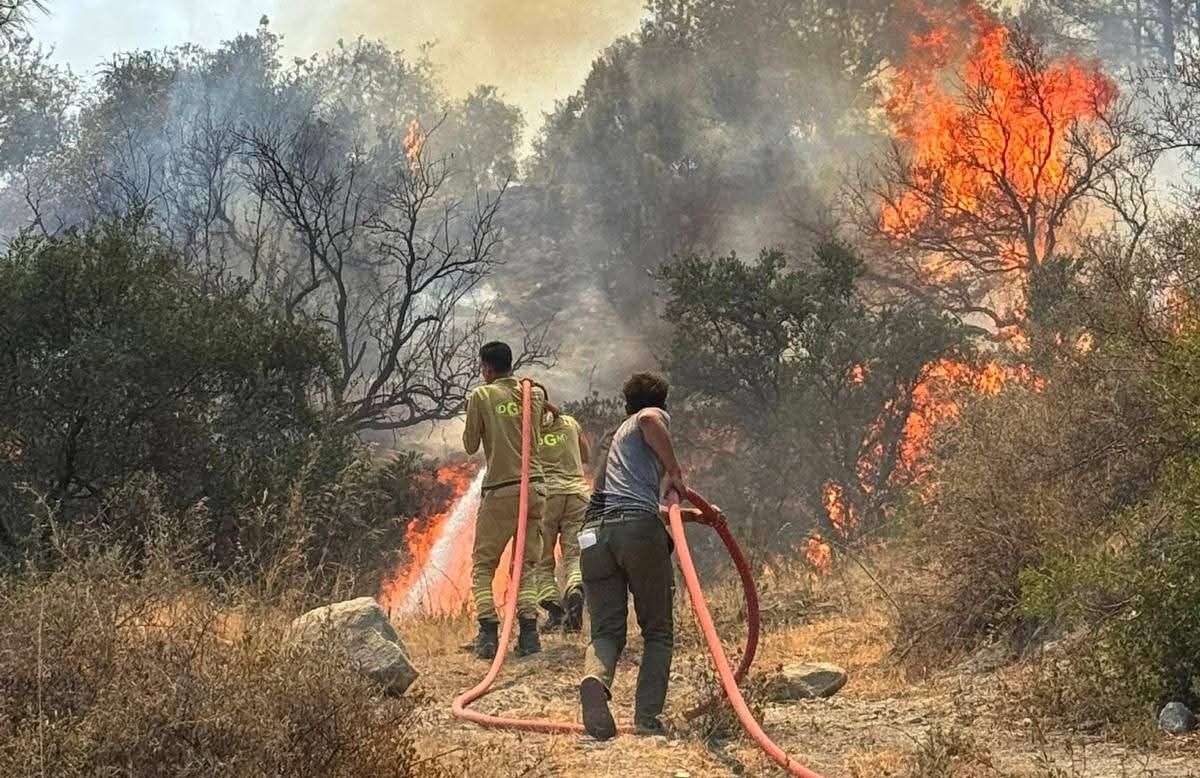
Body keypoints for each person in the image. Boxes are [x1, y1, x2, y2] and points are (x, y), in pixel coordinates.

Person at [577, 372, 690, 740]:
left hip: (595, 537)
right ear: (662, 401)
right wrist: (674, 471)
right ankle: (646, 717)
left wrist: (698, 515)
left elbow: (628, 505)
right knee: (658, 632)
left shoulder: (614, 447)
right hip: (635, 530)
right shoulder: (647, 419)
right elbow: (650, 419)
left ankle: (595, 680)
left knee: (606, 630)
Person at [462, 341, 547, 659]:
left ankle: (487, 632)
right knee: (525, 567)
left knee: (483, 566)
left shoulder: (481, 395)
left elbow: (470, 444)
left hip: (500, 491)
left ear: (486, 367)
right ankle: (528, 635)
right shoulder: (534, 394)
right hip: (535, 490)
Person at [534, 409, 591, 633]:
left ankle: (555, 610)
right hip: (577, 495)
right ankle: (574, 587)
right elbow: (585, 455)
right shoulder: (570, 422)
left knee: (541, 558)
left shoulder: (529, 429)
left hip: (546, 497)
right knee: (574, 554)